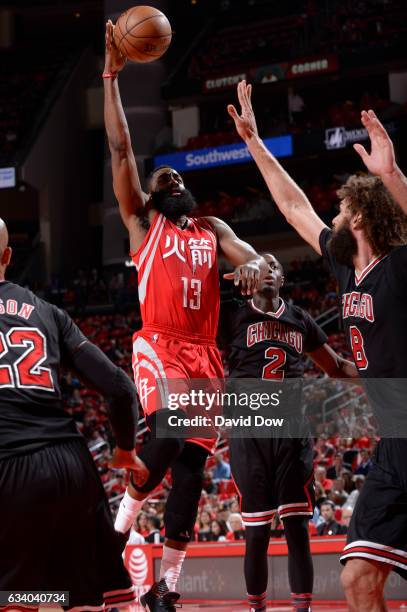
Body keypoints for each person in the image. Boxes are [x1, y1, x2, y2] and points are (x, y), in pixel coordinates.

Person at [103, 25, 267, 612]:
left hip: (206, 355)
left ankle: (165, 588)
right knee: (169, 435)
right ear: (148, 198)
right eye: (163, 178)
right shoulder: (144, 227)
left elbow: (255, 258)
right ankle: (115, 529)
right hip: (161, 345)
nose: (173, 180)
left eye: (178, 176)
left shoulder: (210, 230)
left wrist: (262, 268)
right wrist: (111, 76)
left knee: (194, 469)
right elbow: (122, 149)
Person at [228, 80, 407, 611]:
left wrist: (392, 176)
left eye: (341, 207)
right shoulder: (344, 266)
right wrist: (254, 142)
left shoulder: (399, 267)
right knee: (357, 580)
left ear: (362, 216)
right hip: (393, 444)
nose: (331, 214)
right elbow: (292, 207)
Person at [0, 218, 147, 610]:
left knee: (14, 598)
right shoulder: (47, 312)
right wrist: (125, 449)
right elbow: (120, 387)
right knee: (80, 596)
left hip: (10, 467)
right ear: (8, 256)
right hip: (71, 467)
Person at [221, 252, 358, 612]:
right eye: (262, 264)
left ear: (283, 278)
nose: (269, 269)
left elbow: (338, 366)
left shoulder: (300, 318)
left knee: (297, 528)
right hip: (250, 432)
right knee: (257, 533)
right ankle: (257, 608)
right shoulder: (232, 313)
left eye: (276, 265)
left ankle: (302, 608)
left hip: (291, 432)